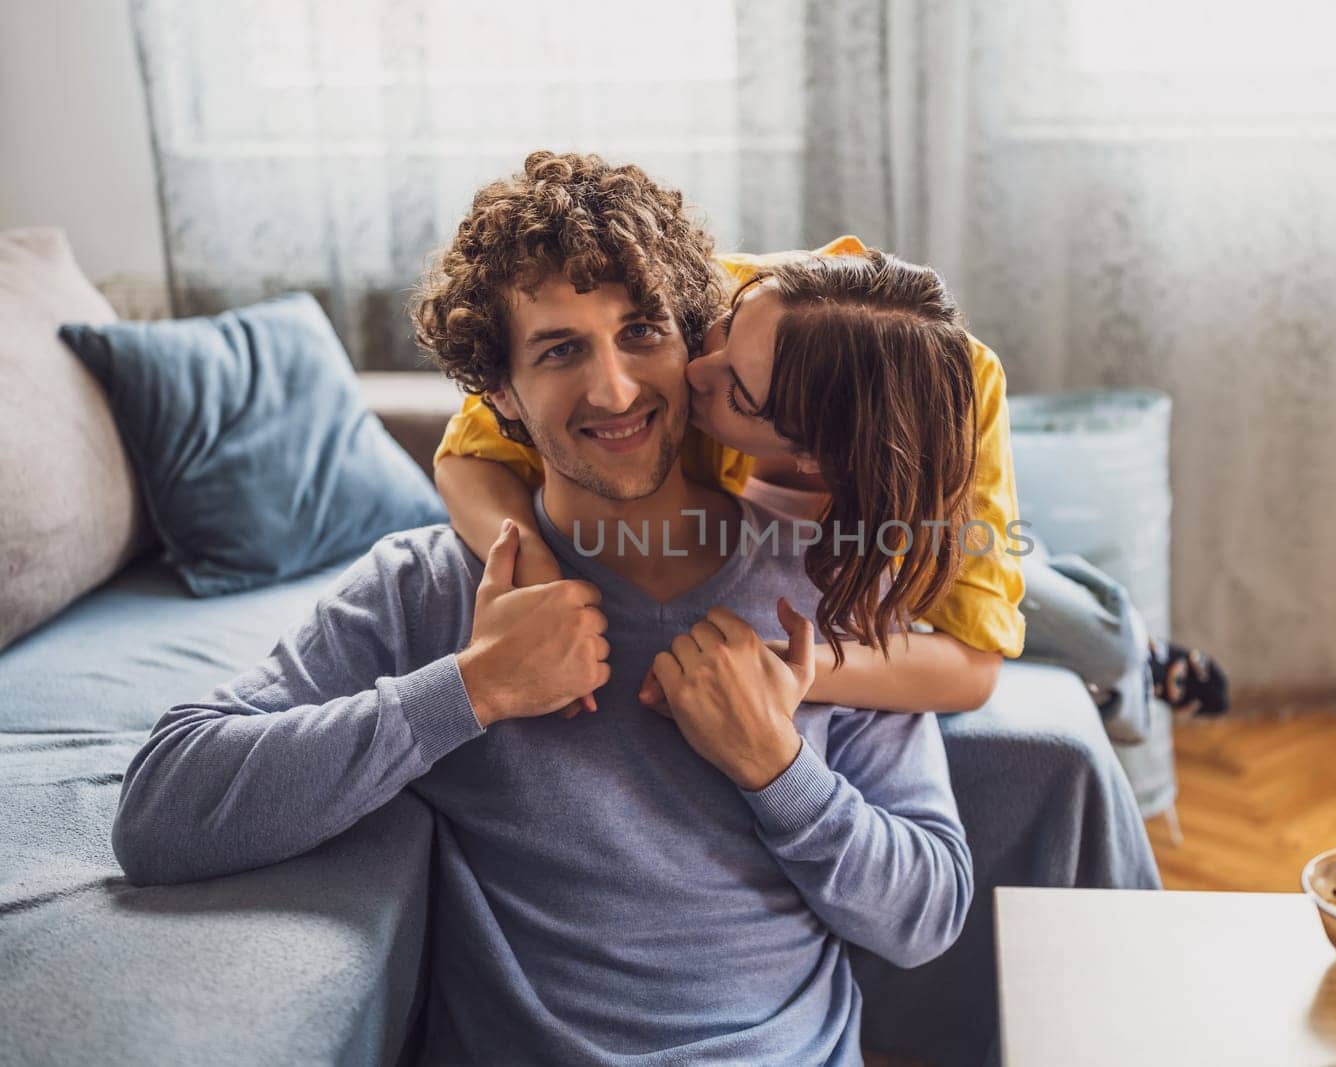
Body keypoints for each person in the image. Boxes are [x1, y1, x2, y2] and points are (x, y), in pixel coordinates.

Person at [111, 153, 973, 1066]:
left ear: (693, 345)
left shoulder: (825, 581)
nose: (614, 388)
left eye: (642, 331)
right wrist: (471, 689)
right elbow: (162, 811)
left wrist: (777, 765)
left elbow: (929, 914)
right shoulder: (430, 587)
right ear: (500, 396)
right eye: (561, 349)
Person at [434, 159, 1027, 721]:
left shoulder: (954, 398)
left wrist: (781, 667)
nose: (695, 371)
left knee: (1050, 603)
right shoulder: (685, 307)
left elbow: (972, 666)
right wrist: (540, 580)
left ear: (815, 455)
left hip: (885, 542)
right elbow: (467, 454)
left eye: (737, 394)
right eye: (726, 332)